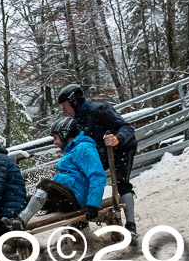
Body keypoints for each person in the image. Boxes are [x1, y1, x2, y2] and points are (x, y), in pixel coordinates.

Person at [57, 84, 138, 240]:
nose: (64, 111)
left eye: (65, 106)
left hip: (122, 147)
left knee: (121, 182)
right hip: (101, 151)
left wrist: (116, 139)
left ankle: (131, 225)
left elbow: (127, 127)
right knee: (81, 175)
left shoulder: (99, 110)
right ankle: (82, 219)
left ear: (74, 102)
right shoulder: (77, 120)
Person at [3, 117, 106, 229]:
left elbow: (97, 175)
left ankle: (21, 221)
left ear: (64, 134)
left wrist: (93, 205)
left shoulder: (83, 148)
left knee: (45, 184)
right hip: (69, 197)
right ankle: (8, 224)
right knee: (26, 200)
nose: (54, 142)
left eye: (56, 138)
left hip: (77, 199)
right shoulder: (74, 150)